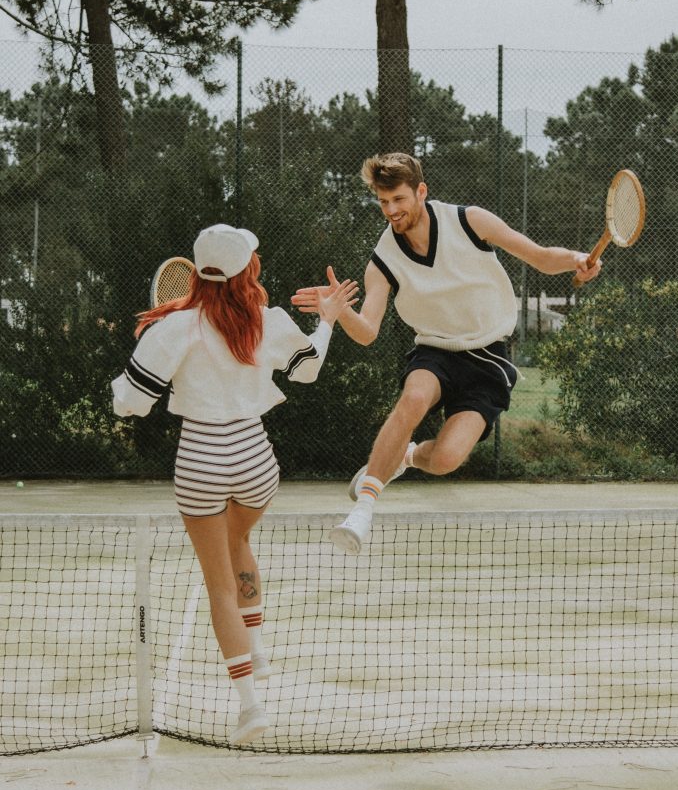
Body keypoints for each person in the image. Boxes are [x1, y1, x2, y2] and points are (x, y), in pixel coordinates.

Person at [112, 224, 357, 745]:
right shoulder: (268, 322)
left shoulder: (175, 328)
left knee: (218, 583)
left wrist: (126, 381)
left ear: (199, 273)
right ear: (250, 268)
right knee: (240, 540)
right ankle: (258, 647)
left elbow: (131, 402)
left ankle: (250, 707)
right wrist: (328, 321)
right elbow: (307, 370)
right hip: (254, 459)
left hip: (201, 460)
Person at [292, 152, 602, 555]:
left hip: (489, 358)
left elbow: (541, 257)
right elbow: (367, 332)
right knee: (414, 398)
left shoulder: (470, 221)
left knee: (445, 460)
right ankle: (363, 510)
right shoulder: (383, 259)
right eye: (384, 202)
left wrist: (577, 259)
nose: (392, 210)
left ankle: (405, 456)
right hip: (435, 350)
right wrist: (340, 312)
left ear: (421, 191)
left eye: (399, 199)